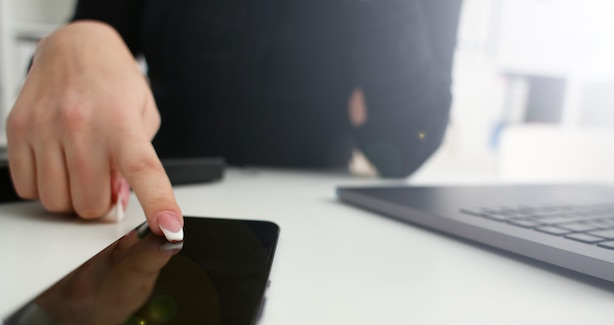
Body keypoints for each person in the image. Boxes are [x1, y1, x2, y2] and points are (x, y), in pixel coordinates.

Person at [5, 0, 462, 241]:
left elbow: (408, 139)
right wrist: (77, 43)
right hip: (148, 200)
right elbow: (83, 87)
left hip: (326, 220)